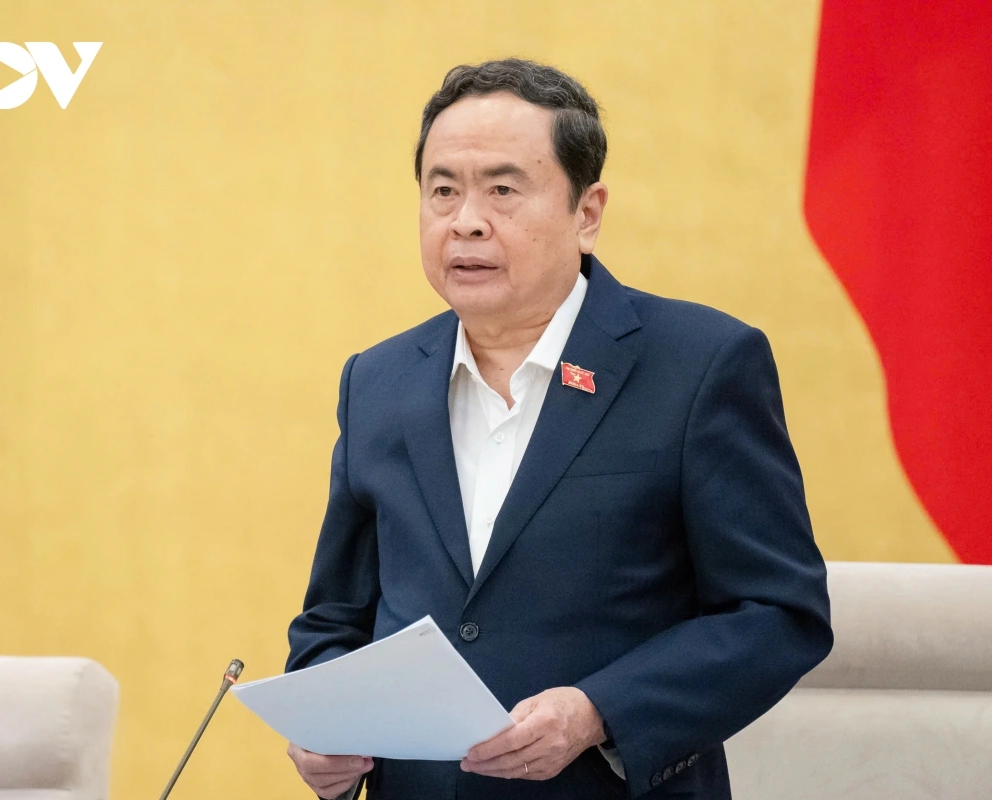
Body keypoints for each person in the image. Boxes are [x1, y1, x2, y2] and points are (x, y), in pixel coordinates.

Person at [285, 58, 832, 800]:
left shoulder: (700, 365)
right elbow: (334, 619)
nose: (466, 220)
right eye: (442, 191)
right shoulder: (377, 382)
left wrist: (599, 712)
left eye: (503, 190)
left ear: (588, 213)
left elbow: (777, 614)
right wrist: (323, 727)